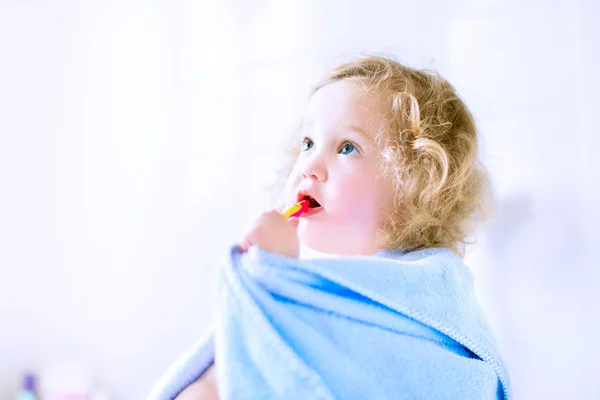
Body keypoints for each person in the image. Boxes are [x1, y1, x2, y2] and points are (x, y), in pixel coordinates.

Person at [149, 54, 510, 400]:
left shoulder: (429, 305)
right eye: (308, 143)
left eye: (347, 148)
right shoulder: (332, 293)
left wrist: (271, 277)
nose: (309, 166)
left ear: (418, 183)